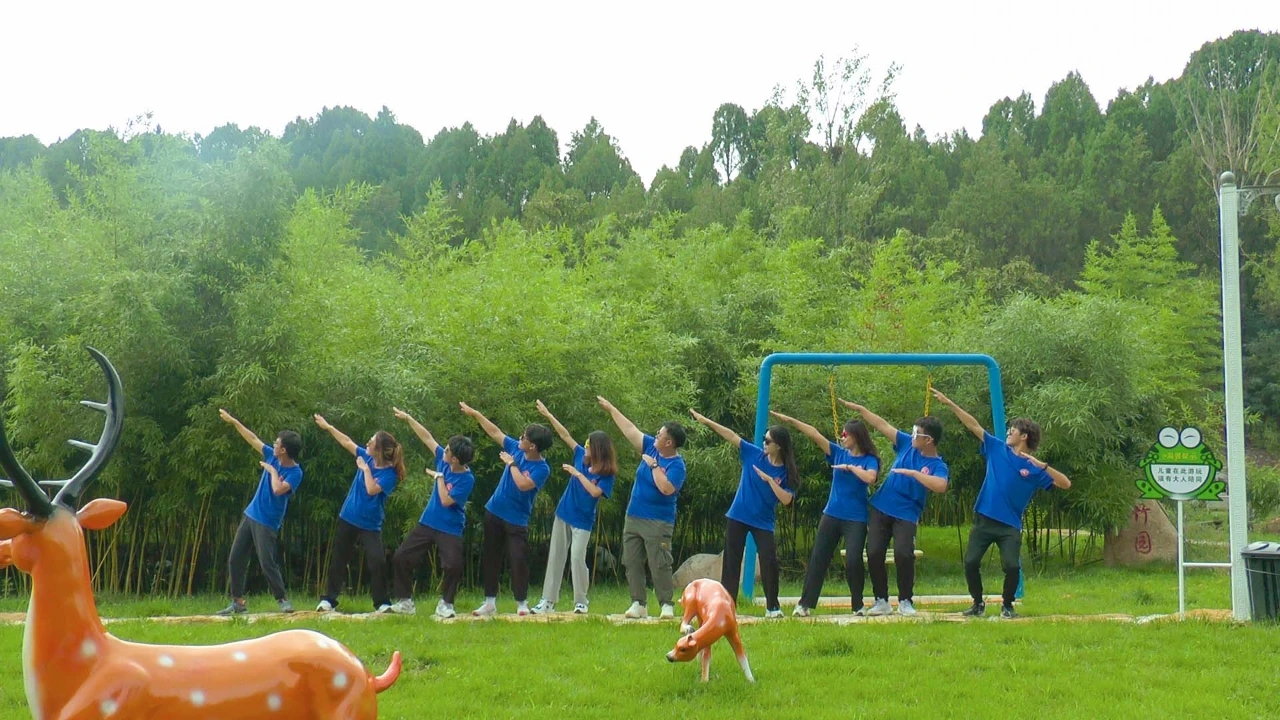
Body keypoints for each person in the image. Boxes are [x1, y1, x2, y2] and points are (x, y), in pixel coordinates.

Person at [931, 389, 1071, 619]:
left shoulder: (1034, 468)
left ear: (1024, 436)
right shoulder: (997, 449)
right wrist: (949, 403)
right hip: (984, 518)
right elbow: (973, 425)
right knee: (971, 562)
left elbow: (1065, 483)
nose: (1008, 433)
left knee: (1012, 566)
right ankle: (978, 604)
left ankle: (1007, 605)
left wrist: (1042, 465)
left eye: (1012, 430)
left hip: (1009, 525)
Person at [839, 398, 949, 617]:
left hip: (907, 513)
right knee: (874, 552)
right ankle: (881, 600)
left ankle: (905, 600)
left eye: (917, 433)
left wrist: (914, 474)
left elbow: (941, 485)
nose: (913, 435)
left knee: (903, 554)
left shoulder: (937, 464)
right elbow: (882, 425)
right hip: (881, 506)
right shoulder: (907, 443)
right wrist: (861, 409)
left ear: (929, 440)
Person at [688, 409, 798, 618]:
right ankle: (727, 607)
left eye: (768, 441)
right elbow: (731, 435)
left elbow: (787, 500)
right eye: (764, 439)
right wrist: (706, 420)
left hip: (763, 521)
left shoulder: (786, 472)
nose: (764, 443)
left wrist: (769, 480)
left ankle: (773, 607)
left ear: (778, 446)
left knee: (769, 561)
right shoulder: (753, 454)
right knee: (731, 561)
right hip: (738, 515)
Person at [770, 411, 880, 617]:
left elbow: (871, 478)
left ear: (856, 437)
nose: (842, 437)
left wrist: (850, 467)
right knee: (818, 558)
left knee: (853, 560)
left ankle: (857, 605)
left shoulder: (869, 459)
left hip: (856, 518)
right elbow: (814, 434)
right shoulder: (838, 452)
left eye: (845, 434)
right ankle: (804, 605)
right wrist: (791, 420)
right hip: (831, 514)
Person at [597, 396, 687, 619]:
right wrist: (611, 408)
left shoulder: (677, 465)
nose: (656, 436)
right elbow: (630, 429)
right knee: (631, 561)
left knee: (660, 562)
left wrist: (654, 466)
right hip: (634, 515)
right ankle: (638, 602)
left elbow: (666, 488)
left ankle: (666, 604)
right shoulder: (650, 446)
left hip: (658, 521)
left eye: (660, 435)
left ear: (669, 443)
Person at [460, 402, 553, 617]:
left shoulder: (542, 468)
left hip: (516, 519)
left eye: (524, 437)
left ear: (533, 446)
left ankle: (521, 603)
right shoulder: (516, 448)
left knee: (518, 559)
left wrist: (511, 464)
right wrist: (476, 413)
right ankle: (489, 602)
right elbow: (495, 432)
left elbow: (523, 485)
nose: (520, 438)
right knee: (491, 557)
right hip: (494, 510)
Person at [385, 407, 476, 619]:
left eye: (448, 450)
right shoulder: (443, 459)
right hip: (428, 522)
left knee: (452, 565)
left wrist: (439, 477)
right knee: (401, 557)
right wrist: (409, 418)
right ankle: (405, 602)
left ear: (455, 459)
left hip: (450, 527)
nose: (444, 450)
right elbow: (427, 437)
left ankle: (446, 604)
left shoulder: (467, 479)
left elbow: (445, 500)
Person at [529, 400, 617, 615]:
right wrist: (548, 414)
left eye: (588, 445)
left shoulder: (606, 473)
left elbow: (595, 492)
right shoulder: (579, 455)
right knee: (556, 556)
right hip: (564, 512)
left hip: (583, 519)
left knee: (577, 558)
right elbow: (565, 435)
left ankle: (581, 601)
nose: (584, 447)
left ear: (597, 450)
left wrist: (578, 474)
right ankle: (547, 601)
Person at [215, 409, 304, 616]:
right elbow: (252, 438)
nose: (273, 444)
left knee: (266, 562)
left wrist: (272, 471)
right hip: (251, 514)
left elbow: (278, 490)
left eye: (277, 443)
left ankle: (282, 599)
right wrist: (233, 421)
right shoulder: (271, 455)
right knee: (235, 558)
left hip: (267, 521)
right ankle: (238, 602)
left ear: (284, 450)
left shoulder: (295, 472)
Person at [313, 415, 404, 613]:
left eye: (371, 442)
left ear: (379, 450)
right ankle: (329, 600)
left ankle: (382, 603)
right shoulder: (366, 456)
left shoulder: (389, 474)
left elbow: (371, 490)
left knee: (377, 561)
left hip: (370, 523)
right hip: (349, 516)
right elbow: (347, 441)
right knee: (339, 559)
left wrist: (365, 469)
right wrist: (328, 427)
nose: (367, 443)